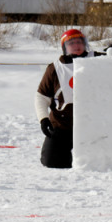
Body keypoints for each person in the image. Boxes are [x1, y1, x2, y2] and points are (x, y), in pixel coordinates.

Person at [34, 29, 103, 168]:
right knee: (51, 161)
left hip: (93, 124)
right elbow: (41, 97)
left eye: (79, 42)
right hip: (62, 124)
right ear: (65, 47)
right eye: (71, 43)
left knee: (97, 162)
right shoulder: (55, 68)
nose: (76, 45)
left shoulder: (98, 60)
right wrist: (43, 119)